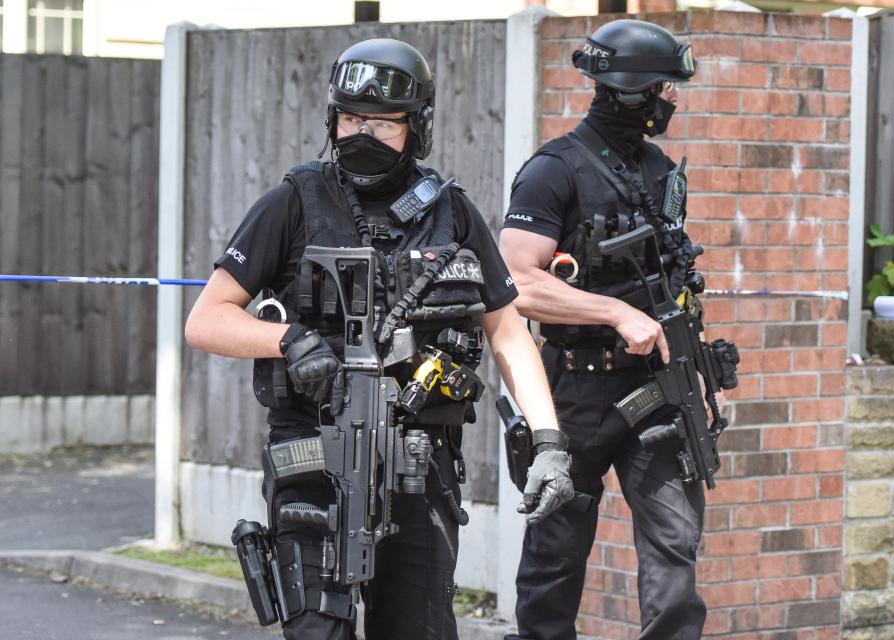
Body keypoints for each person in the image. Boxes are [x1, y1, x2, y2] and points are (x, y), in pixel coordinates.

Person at [185, 38, 572, 640]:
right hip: (314, 457)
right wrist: (287, 339)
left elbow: (509, 334)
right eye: (350, 118)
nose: (361, 133)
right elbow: (206, 320)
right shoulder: (293, 201)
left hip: (420, 464)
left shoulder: (452, 213)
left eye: (382, 123)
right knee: (317, 630)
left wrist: (548, 441)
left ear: (416, 127)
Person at [499, 19, 721, 640]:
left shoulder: (656, 169)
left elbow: (670, 282)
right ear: (635, 92)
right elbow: (517, 281)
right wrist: (614, 312)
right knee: (554, 560)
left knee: (675, 555)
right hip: (575, 392)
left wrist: (697, 371)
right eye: (666, 90)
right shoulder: (552, 170)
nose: (672, 102)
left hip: (657, 390)